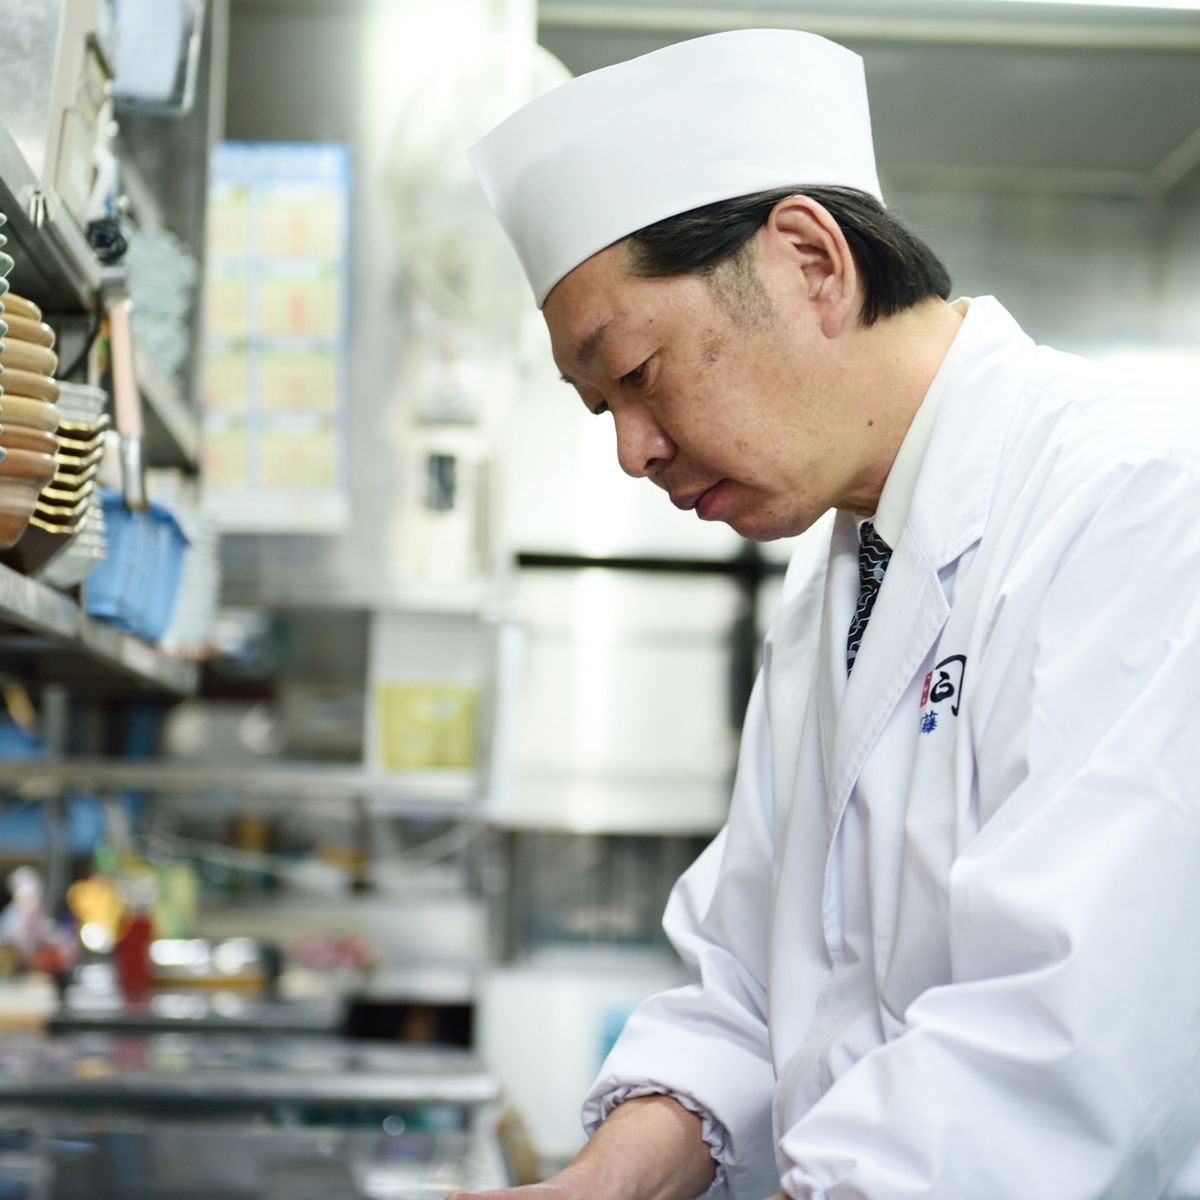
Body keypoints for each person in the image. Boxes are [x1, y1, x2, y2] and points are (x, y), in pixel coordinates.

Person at [464, 29, 1200, 1200]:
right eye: (597, 405)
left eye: (639, 374)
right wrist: (596, 1186)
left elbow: (1066, 1054)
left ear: (813, 260)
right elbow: (753, 980)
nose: (631, 450)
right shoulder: (840, 575)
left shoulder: (1136, 508)